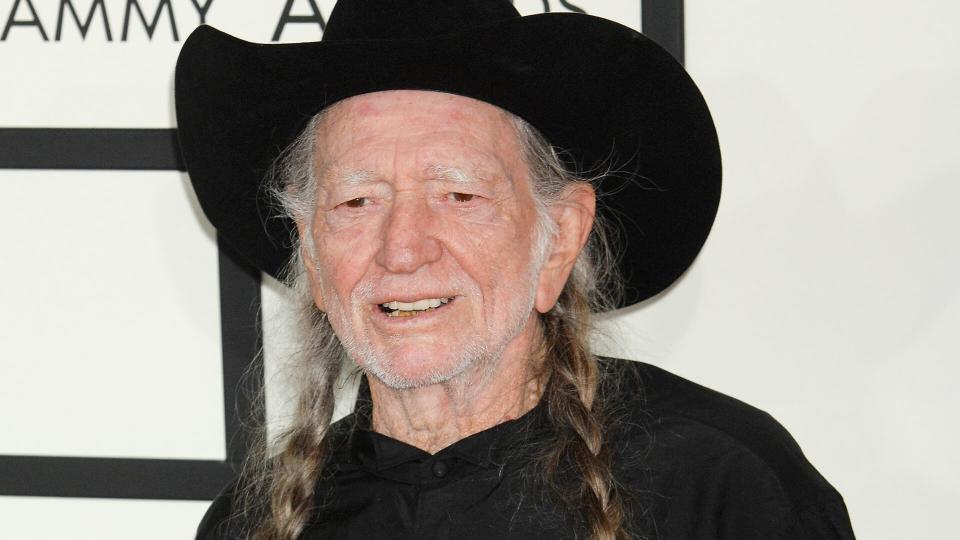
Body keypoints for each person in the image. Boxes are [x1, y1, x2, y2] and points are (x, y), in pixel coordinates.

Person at [176, 1, 855, 538]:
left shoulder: (722, 491)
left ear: (559, 238)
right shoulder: (254, 525)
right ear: (314, 256)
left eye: (459, 196)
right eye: (357, 201)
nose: (403, 249)